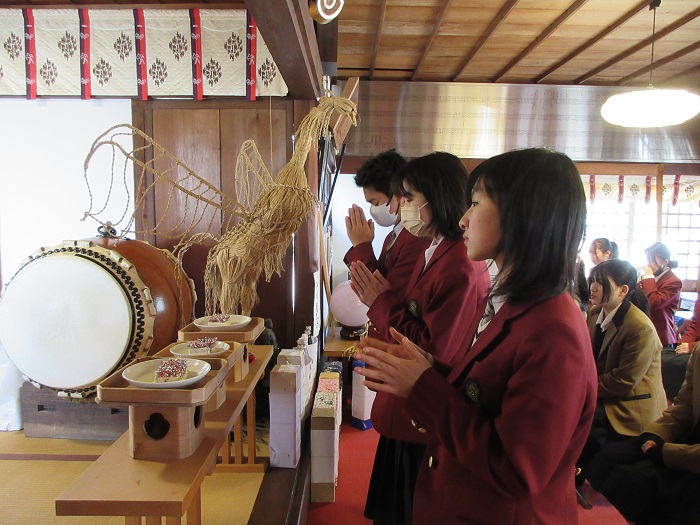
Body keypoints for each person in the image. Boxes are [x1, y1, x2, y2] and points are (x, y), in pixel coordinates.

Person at [353, 147, 597, 524]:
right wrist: (431, 369)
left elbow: (517, 470)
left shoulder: (554, 331)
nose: (464, 220)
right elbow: (490, 390)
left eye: (476, 203)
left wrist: (423, 386)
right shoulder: (519, 304)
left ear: (521, 215)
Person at [349, 151, 489, 525]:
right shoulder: (434, 247)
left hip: (420, 408)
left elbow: (431, 348)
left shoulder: (459, 262)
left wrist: (380, 303)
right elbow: (404, 307)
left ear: (436, 196)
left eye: (408, 198)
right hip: (405, 400)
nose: (401, 208)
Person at [587, 349, 700, 525]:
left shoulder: (641, 327)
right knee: (608, 460)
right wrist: (654, 435)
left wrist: (663, 452)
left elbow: (623, 380)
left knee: (643, 485)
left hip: (691, 458)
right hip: (685, 445)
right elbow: (684, 406)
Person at [577, 259, 666, 483]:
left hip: (629, 404)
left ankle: (579, 478)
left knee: (585, 420)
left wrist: (582, 390)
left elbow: (624, 381)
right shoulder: (595, 312)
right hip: (605, 392)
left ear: (623, 290)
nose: (593, 288)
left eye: (601, 283)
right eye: (592, 281)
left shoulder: (640, 327)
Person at [343, 149, 430, 307]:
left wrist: (362, 245)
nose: (373, 210)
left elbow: (384, 296)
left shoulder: (416, 237)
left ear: (397, 193)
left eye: (375, 203)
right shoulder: (392, 236)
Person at [639, 242, 683, 398]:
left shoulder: (673, 281)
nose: (648, 264)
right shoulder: (651, 278)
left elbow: (654, 303)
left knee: (660, 382)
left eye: (652, 260)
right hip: (643, 331)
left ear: (664, 261)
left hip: (662, 335)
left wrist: (648, 278)